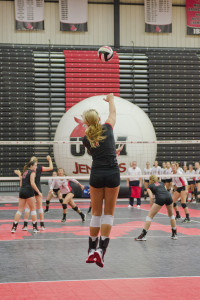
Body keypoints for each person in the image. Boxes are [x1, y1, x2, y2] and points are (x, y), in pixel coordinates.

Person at [82, 93, 121, 268]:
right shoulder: (107, 127)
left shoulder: (85, 138)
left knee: (96, 213)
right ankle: (101, 251)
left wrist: (111, 151)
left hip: (96, 174)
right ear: (98, 118)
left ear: (86, 122)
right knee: (108, 214)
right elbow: (113, 113)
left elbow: (95, 152)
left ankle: (91, 250)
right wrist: (110, 99)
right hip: (112, 173)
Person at [135, 175, 177, 241]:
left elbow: (151, 197)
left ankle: (143, 235)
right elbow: (165, 191)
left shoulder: (149, 186)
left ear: (150, 180)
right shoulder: (162, 183)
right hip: (168, 196)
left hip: (160, 198)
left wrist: (151, 207)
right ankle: (174, 234)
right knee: (171, 215)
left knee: (149, 217)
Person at [22, 155, 53, 230]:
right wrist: (49, 160)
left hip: (30, 189)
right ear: (36, 162)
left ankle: (25, 226)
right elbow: (51, 168)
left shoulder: (27, 169)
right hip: (38, 188)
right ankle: (42, 225)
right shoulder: (39, 168)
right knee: (40, 207)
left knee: (28, 208)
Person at [11, 161, 42, 233]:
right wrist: (38, 192)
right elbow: (32, 183)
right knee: (33, 209)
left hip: (22, 191)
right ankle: (35, 228)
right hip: (29, 191)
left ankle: (14, 227)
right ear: (31, 166)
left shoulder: (25, 172)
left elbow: (21, 184)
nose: (36, 167)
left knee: (19, 210)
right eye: (35, 165)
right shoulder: (32, 172)